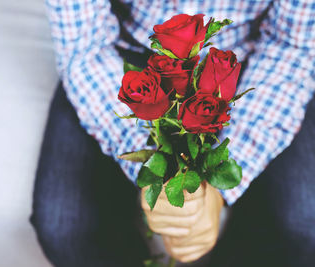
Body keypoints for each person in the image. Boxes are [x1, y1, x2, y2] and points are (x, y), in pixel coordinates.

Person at [30, 1, 315, 266]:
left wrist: (221, 184)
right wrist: (155, 169)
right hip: (126, 49)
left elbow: (291, 45)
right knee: (63, 225)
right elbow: (85, 48)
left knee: (305, 223)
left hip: (253, 57)